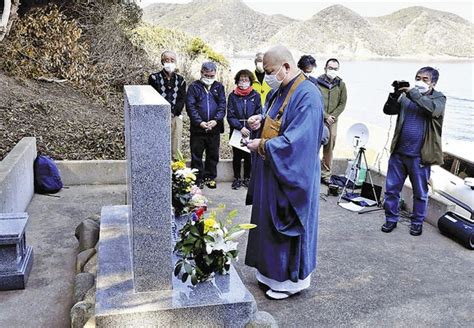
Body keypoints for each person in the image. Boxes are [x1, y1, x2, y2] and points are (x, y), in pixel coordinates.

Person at [244, 45, 324, 300]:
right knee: (267, 225)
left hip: (291, 174)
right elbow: (276, 120)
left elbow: (300, 141)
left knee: (284, 226)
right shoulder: (279, 90)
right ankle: (268, 274)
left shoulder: (308, 95)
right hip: (273, 171)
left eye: (269, 71)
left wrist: (264, 145)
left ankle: (289, 282)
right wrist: (260, 120)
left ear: (287, 67)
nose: (266, 76)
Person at [381, 67, 446, 236]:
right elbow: (389, 110)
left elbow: (433, 110)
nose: (420, 81)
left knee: (420, 193)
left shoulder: (438, 98)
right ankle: (391, 219)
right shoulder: (407, 96)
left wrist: (413, 93)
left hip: (420, 156)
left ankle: (417, 222)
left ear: (433, 83)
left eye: (425, 79)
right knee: (392, 190)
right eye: (418, 78)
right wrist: (395, 94)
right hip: (399, 153)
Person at [186, 62, 226, 189]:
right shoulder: (194, 87)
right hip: (198, 129)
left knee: (213, 154)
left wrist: (216, 120)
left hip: (214, 128)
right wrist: (200, 122)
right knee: (196, 154)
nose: (209, 77)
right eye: (207, 75)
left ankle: (210, 177)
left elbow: (222, 105)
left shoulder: (219, 87)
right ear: (201, 73)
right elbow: (190, 107)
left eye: (212, 75)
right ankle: (197, 179)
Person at [227, 69, 262, 190]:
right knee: (237, 156)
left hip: (251, 130)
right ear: (237, 81)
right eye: (241, 80)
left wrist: (252, 125)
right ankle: (237, 178)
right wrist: (240, 127)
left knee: (249, 155)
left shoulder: (256, 95)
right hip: (237, 130)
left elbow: (259, 113)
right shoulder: (232, 96)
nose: (244, 82)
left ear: (250, 81)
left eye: (246, 80)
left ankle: (248, 178)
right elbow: (230, 115)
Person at [148, 50, 186, 159]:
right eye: (166, 60)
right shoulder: (154, 78)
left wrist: (174, 112)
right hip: (159, 116)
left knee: (176, 144)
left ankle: (176, 169)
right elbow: (152, 97)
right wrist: (163, 112)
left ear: (176, 62)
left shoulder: (181, 80)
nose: (169, 62)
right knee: (159, 143)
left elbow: (182, 98)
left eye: (172, 60)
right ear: (162, 62)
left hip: (176, 116)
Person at [316, 58, 347, 185]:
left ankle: (326, 174)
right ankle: (313, 172)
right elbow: (315, 101)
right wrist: (325, 116)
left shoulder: (341, 84)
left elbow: (342, 103)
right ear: (325, 68)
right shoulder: (317, 82)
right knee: (315, 145)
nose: (332, 70)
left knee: (329, 147)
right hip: (319, 118)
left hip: (333, 121)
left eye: (335, 68)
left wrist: (332, 116)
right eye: (330, 68)